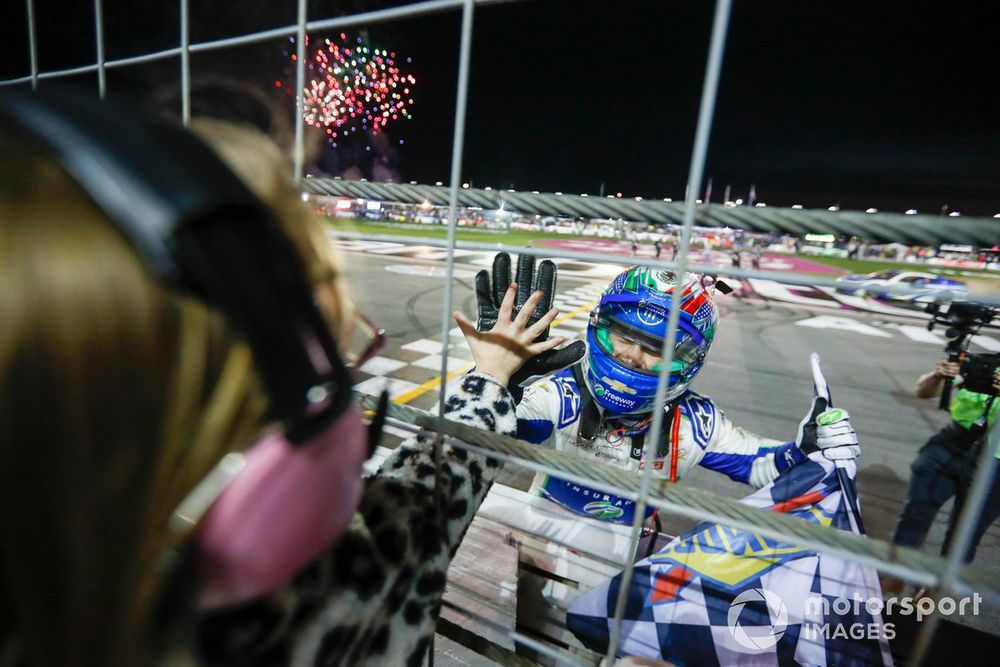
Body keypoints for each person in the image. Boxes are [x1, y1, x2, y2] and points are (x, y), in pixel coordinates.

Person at [0, 91, 561, 666]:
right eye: (325, 342)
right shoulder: (349, 588)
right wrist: (491, 375)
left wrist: (490, 371)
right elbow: (432, 491)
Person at [478, 263, 860, 524]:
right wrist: (495, 380)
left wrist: (807, 449)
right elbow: (484, 439)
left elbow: (765, 467)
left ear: (690, 360)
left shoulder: (697, 425)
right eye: (623, 335)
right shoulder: (560, 394)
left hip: (624, 555)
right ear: (598, 326)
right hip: (539, 528)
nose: (632, 355)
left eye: (657, 349)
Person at [891, 357, 1000, 564]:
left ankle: (935, 592)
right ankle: (893, 578)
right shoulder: (987, 363)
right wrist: (939, 376)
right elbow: (924, 392)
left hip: (994, 463)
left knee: (964, 535)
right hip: (952, 443)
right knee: (915, 515)